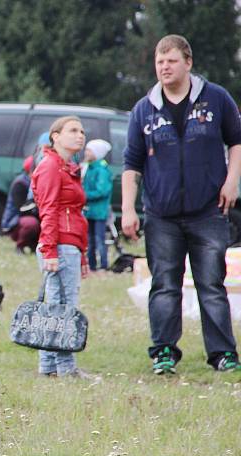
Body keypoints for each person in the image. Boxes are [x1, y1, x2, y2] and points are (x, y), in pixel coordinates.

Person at [122, 34, 241, 374]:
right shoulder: (144, 109)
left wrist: (232, 181)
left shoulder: (216, 99)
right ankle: (163, 352)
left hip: (208, 211)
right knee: (164, 285)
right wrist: (129, 209)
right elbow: (132, 163)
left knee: (211, 284)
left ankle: (222, 354)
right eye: (160, 62)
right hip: (161, 215)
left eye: (171, 61)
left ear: (188, 63)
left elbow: (236, 141)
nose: (164, 67)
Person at [31, 116, 89, 377]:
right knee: (62, 309)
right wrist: (50, 251)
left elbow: (75, 214)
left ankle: (51, 367)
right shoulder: (51, 167)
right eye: (73, 130)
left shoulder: (67, 167)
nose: (80, 135)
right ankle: (63, 368)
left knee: (57, 307)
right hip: (59, 246)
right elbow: (49, 210)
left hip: (69, 246)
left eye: (82, 131)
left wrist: (83, 253)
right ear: (55, 136)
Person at [81, 139, 113, 272]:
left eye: (89, 150)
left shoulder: (101, 170)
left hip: (99, 211)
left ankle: (104, 265)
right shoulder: (88, 167)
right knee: (90, 239)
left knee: (100, 239)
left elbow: (102, 190)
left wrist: (84, 195)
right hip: (89, 211)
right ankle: (92, 265)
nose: (86, 153)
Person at [0, 155, 40, 254]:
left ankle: (34, 247)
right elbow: (22, 208)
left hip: (28, 216)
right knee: (31, 223)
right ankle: (20, 246)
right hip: (14, 221)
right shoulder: (20, 183)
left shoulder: (34, 182)